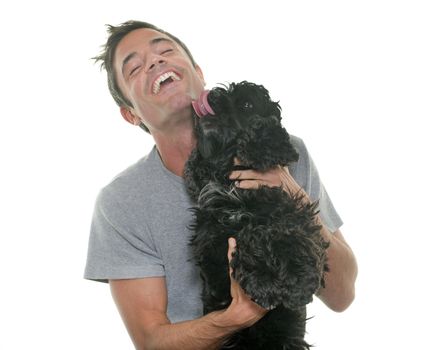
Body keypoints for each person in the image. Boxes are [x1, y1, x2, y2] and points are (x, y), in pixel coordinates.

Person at [84, 20, 358, 350]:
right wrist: (237, 315)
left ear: (198, 73)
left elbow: (342, 295)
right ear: (131, 114)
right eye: (134, 68)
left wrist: (295, 197)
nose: (155, 62)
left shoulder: (285, 153)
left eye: (165, 50)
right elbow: (150, 340)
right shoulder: (122, 201)